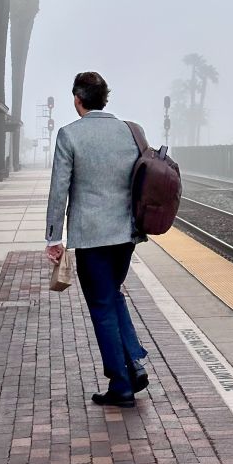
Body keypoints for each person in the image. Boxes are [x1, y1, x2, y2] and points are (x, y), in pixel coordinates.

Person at [45, 70, 148, 408]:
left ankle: (121, 385)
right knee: (111, 296)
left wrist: (53, 238)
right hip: (125, 234)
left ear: (78, 99)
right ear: (105, 98)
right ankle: (132, 364)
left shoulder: (69, 135)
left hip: (90, 238)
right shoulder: (131, 132)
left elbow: (59, 189)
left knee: (102, 305)